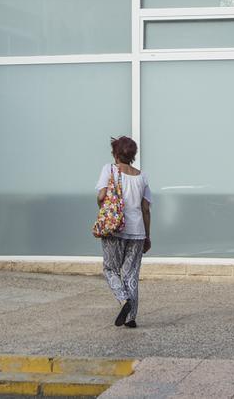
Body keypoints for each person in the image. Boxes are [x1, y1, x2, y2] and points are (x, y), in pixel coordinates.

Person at [96, 136, 151, 328]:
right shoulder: (141, 176)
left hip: (115, 228)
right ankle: (131, 318)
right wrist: (147, 236)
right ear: (133, 155)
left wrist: (102, 206)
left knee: (110, 268)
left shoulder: (109, 169)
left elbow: (102, 196)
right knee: (131, 273)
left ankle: (123, 299)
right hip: (137, 231)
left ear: (116, 153)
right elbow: (145, 208)